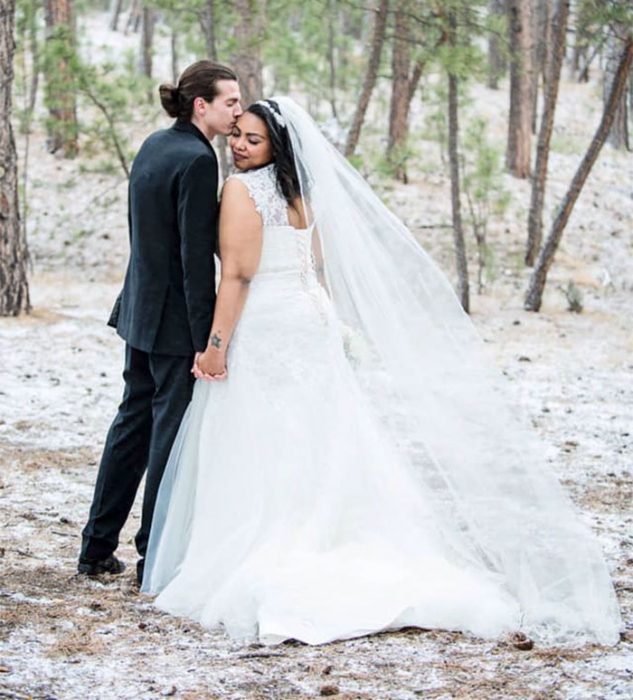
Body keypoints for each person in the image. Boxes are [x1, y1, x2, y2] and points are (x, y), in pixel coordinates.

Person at [141, 97, 621, 646]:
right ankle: (329, 527)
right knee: (316, 431)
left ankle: (277, 542)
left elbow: (239, 277)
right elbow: (312, 263)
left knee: (263, 435)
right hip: (309, 319)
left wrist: (217, 347)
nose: (239, 145)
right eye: (238, 135)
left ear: (277, 146)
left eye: (253, 139)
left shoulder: (240, 190)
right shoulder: (302, 192)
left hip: (271, 326)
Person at [78, 61, 242, 585]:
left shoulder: (153, 144)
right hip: (173, 323)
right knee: (167, 438)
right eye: (230, 102)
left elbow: (143, 236)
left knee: (131, 426)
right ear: (202, 106)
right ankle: (156, 555)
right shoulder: (198, 160)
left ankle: (95, 548)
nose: (237, 110)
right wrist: (205, 340)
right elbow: (195, 261)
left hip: (141, 309)